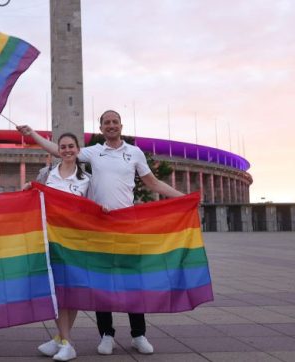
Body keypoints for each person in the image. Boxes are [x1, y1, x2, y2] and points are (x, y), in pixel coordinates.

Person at [17, 110, 184, 356]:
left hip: (126, 223)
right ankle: (106, 334)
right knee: (101, 280)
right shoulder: (94, 152)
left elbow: (153, 184)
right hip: (98, 225)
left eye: (114, 122)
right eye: (106, 122)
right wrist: (32, 135)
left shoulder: (134, 153)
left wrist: (184, 198)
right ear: (101, 127)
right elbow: (61, 150)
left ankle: (138, 334)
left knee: (131, 280)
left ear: (121, 125)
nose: (111, 126)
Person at [26, 133, 90, 362]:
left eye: (71, 146)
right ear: (58, 150)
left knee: (70, 292)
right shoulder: (47, 174)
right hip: (51, 239)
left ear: (78, 149)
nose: (67, 150)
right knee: (56, 292)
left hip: (75, 241)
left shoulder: (87, 180)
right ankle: (63, 340)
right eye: (63, 147)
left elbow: (92, 208)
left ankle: (63, 340)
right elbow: (33, 195)